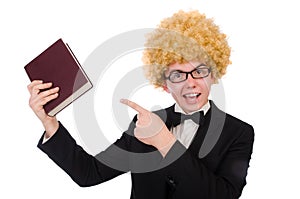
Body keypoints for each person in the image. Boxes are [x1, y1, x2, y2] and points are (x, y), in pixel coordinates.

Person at [27, 10, 254, 199]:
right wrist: (49, 122)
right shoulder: (144, 123)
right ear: (164, 84)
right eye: (177, 74)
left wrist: (164, 141)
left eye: (199, 71)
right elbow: (88, 173)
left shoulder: (239, 132)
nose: (190, 83)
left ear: (214, 75)